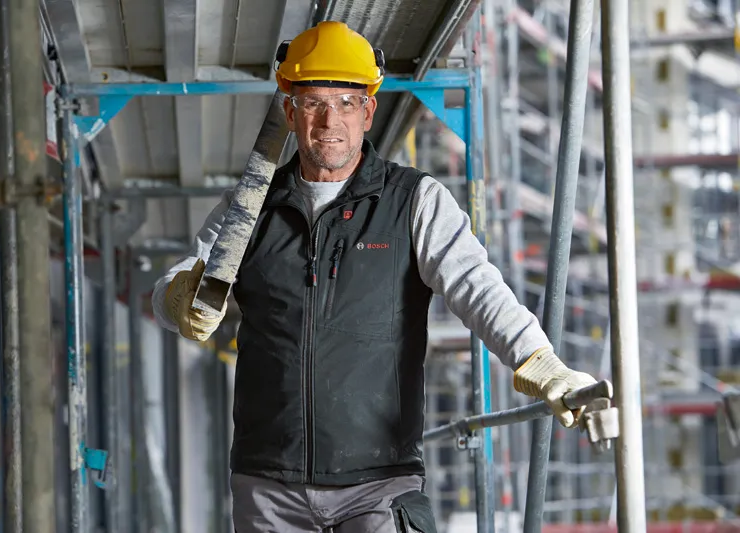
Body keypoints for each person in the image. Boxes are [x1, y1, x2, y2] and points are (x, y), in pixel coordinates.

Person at [152, 20, 597, 533]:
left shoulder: (414, 202)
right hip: (269, 484)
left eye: (347, 102)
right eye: (314, 102)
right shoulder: (249, 208)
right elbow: (175, 285)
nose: (330, 121)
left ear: (369, 111)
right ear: (290, 111)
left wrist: (540, 362)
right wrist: (179, 299)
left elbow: (478, 288)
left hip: (379, 485)